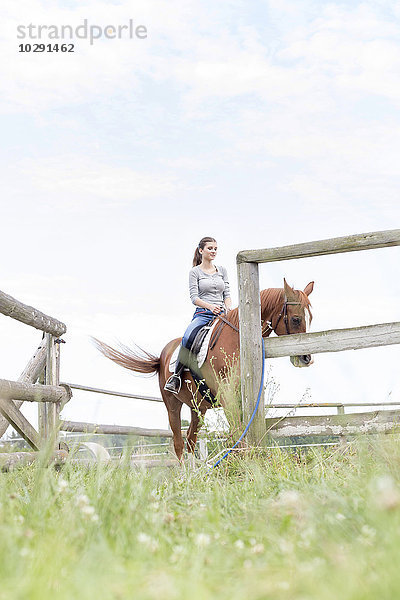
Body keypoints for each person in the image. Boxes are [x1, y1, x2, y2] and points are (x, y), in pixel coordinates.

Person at [164, 236, 232, 394]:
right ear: (201, 250)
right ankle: (176, 377)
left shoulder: (222, 270)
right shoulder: (194, 272)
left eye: (215, 248)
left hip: (222, 314)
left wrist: (228, 308)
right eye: (210, 248)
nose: (213, 251)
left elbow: (227, 294)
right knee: (188, 337)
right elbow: (194, 298)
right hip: (203, 314)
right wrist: (210, 307)